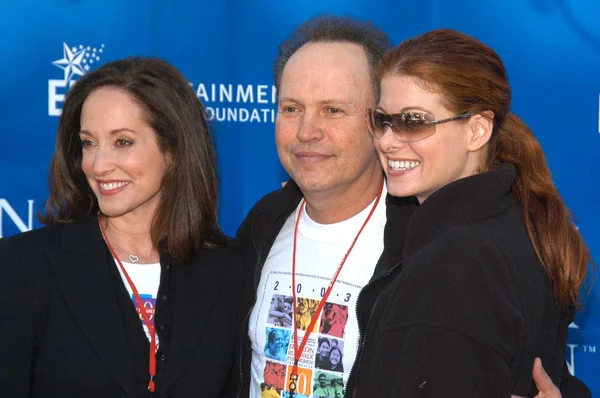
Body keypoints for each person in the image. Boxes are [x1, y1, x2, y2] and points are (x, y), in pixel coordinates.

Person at [228, 15, 583, 398]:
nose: (306, 131)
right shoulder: (264, 223)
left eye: (333, 110)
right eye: (292, 108)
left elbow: (530, 364)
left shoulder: (431, 239)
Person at [353, 28, 592, 397]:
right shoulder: (515, 219)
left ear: (477, 129)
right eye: (382, 120)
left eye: (414, 121)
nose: (386, 140)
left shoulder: (460, 260)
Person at [0, 57, 242, 397]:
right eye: (88, 143)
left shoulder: (230, 270)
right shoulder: (23, 267)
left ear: (172, 150)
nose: (98, 165)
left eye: (122, 142)